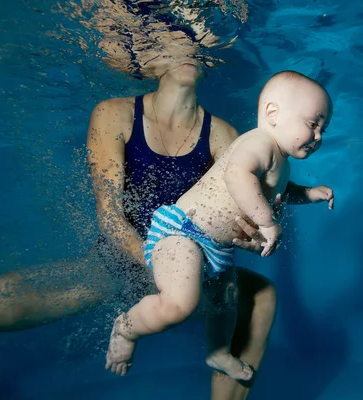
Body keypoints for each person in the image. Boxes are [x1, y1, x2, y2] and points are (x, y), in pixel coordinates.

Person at [0, 8, 300, 399]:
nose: (189, 43)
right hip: (118, 265)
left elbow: (245, 214)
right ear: (144, 56)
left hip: (192, 275)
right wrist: (160, 265)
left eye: (197, 36)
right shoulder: (114, 114)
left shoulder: (224, 134)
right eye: (175, 35)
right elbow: (109, 214)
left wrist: (252, 235)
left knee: (259, 295)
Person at [105, 70, 335, 379]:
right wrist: (267, 222)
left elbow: (279, 190)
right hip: (182, 232)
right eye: (313, 124)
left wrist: (309, 194)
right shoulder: (258, 143)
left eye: (323, 129)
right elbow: (237, 175)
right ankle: (127, 328)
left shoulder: (281, 161)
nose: (319, 136)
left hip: (217, 247)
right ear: (273, 113)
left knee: (225, 304)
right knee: (180, 304)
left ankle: (217, 353)